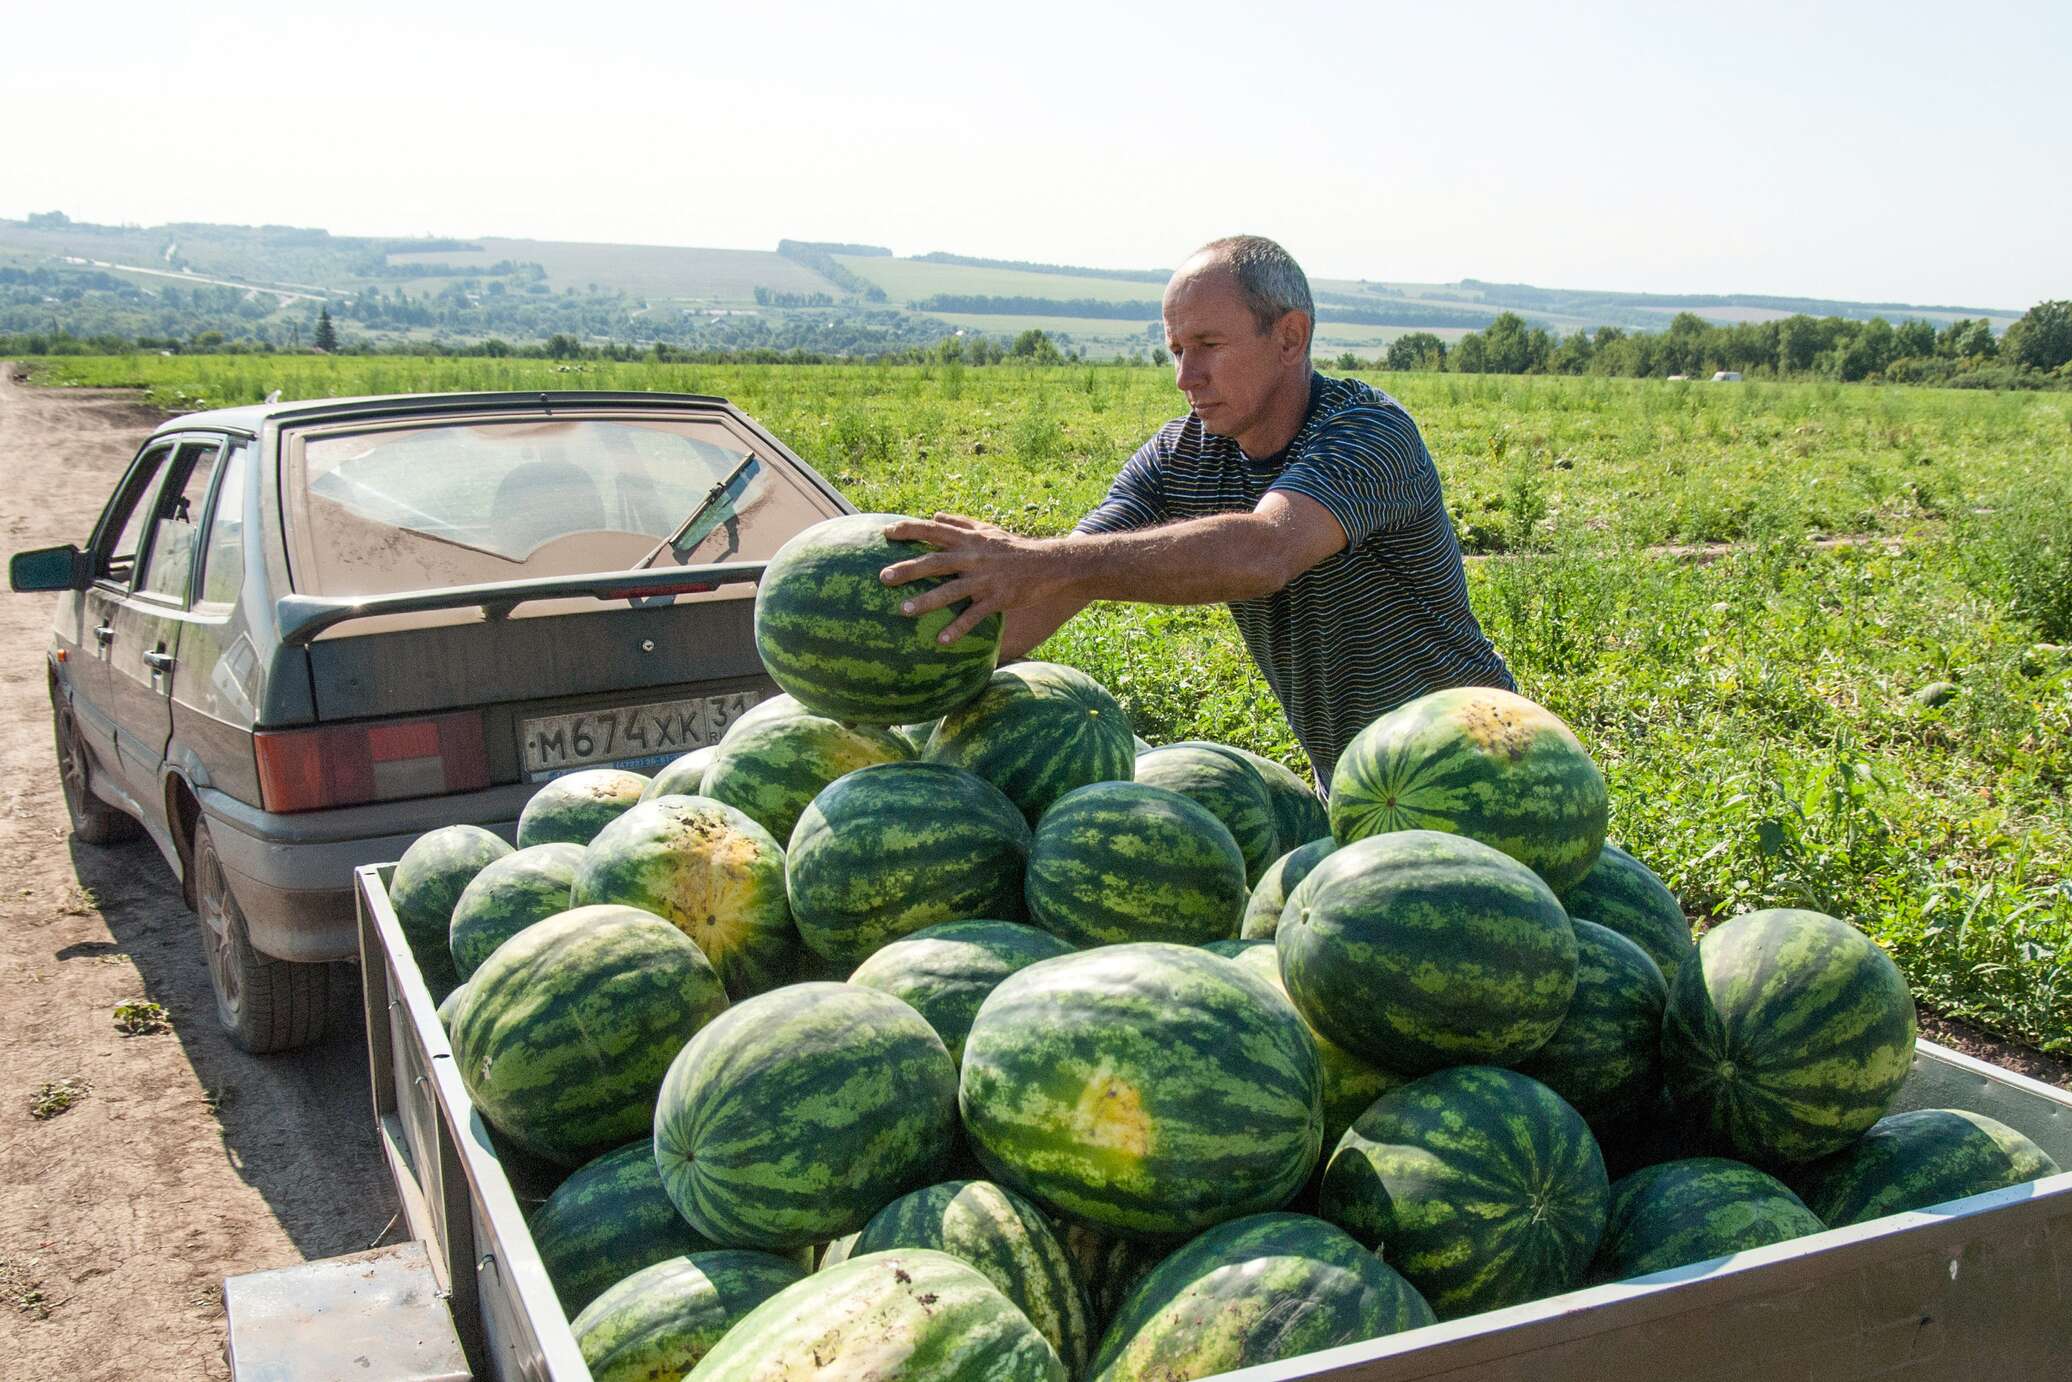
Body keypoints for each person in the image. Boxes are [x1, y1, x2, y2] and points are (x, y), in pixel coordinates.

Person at [879, 234, 1512, 787]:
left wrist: (1037, 560)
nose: (1186, 376)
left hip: (1481, 753)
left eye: (1208, 345)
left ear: (1290, 337)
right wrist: (895, 689)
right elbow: (1050, 591)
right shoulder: (1179, 455)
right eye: (1177, 349)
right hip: (1361, 783)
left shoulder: (1366, 432)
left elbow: (1265, 552)